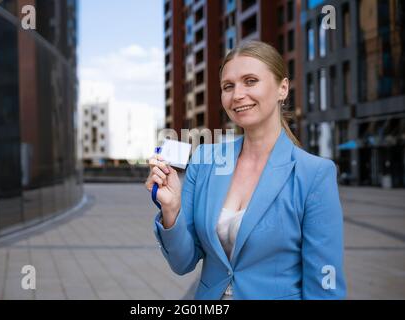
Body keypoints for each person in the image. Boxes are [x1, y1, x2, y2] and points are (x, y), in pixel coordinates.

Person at [145, 40, 346, 300]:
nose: (237, 94)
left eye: (250, 81)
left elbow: (324, 285)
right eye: (228, 86)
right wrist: (172, 210)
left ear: (282, 88)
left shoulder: (314, 174)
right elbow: (182, 263)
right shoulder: (206, 160)